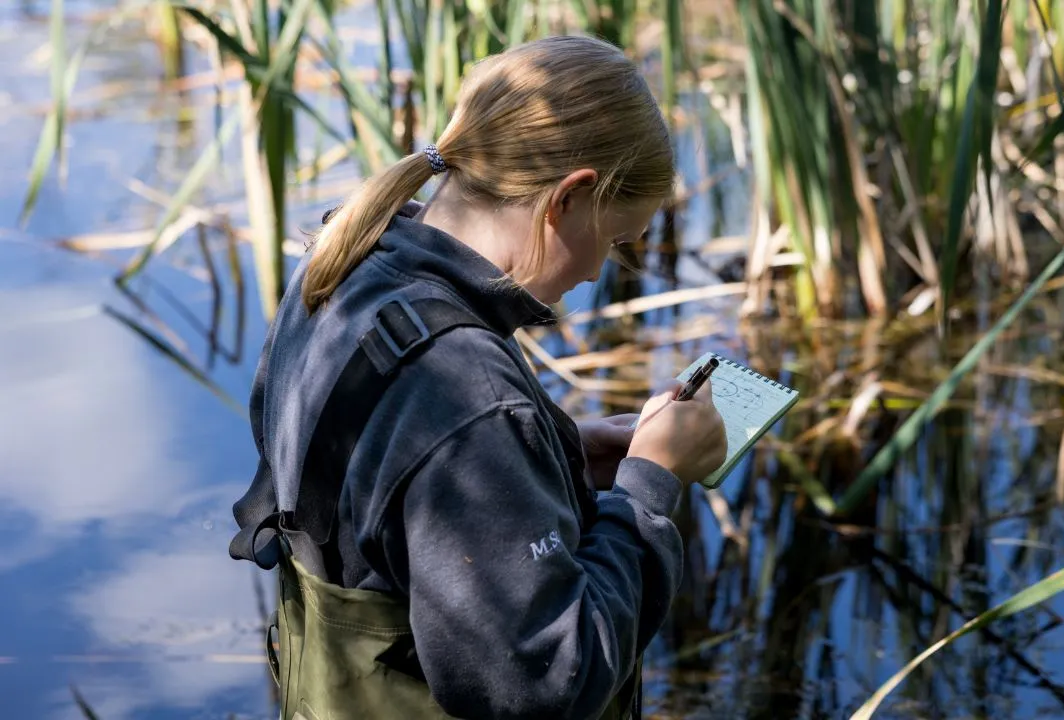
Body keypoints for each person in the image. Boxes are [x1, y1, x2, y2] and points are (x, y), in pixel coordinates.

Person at [228, 34, 729, 720]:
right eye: (614, 241)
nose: (594, 272)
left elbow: (375, 488)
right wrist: (650, 485)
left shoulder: (346, 269)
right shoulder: (469, 397)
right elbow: (546, 682)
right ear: (569, 198)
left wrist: (558, 453)